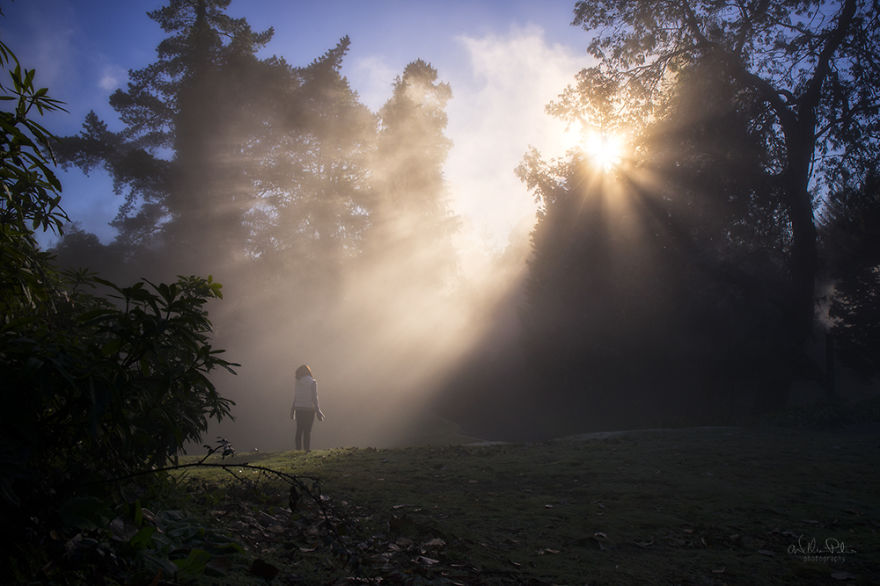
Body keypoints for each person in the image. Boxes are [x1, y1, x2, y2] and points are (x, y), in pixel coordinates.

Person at [290, 364, 324, 452]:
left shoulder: (298, 382)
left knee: (299, 429)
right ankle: (307, 449)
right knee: (307, 431)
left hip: (299, 408)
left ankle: (298, 449)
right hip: (309, 409)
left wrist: (292, 410)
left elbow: (296, 397)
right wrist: (318, 411)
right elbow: (314, 397)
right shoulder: (313, 382)